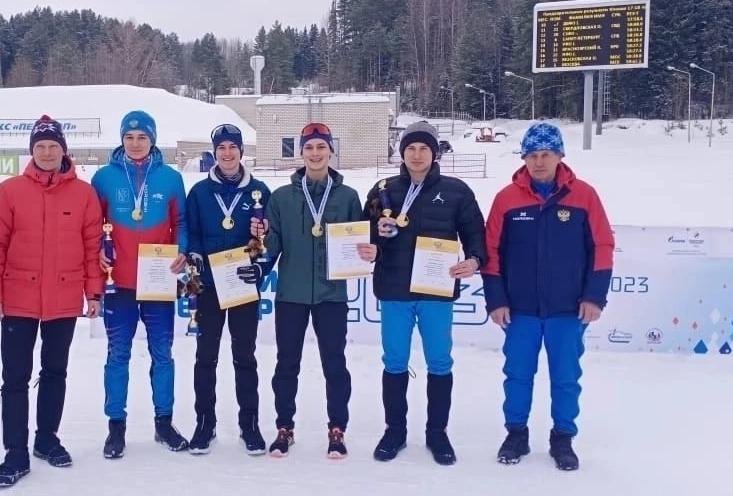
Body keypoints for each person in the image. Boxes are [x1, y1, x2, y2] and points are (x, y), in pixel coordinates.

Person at [0, 115, 105, 487]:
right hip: (17, 298)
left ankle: (47, 438)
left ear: (64, 150)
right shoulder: (9, 191)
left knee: (55, 372)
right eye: (40, 147)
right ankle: (15, 451)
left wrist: (93, 292)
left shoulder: (83, 194)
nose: (47, 152)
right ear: (32, 151)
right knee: (14, 378)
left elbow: (92, 246)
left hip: (64, 297)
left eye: (53, 146)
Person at [481, 122, 614, 471]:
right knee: (518, 375)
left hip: (568, 309)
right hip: (520, 309)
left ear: (559, 156)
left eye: (546, 155)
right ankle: (516, 434)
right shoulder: (506, 199)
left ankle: (563, 438)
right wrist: (496, 299)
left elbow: (602, 246)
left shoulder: (584, 196)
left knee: (566, 376)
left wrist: (594, 297)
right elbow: (491, 251)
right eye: (532, 155)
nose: (538, 162)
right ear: (524, 158)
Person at [358, 121, 486, 464]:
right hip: (394, 289)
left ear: (435, 153)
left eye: (424, 149)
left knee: (440, 362)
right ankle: (395, 431)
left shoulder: (457, 191)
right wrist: (370, 243)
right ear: (402, 153)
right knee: (395, 361)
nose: (417, 155)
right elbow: (362, 232)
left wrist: (474, 260)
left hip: (436, 290)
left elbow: (476, 233)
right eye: (410, 149)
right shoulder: (382, 189)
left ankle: (437, 433)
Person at [248, 122, 365, 459]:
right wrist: (261, 236)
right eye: (309, 147)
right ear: (302, 152)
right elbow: (271, 248)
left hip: (332, 296)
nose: (315, 153)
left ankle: (337, 428)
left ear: (330, 151)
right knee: (287, 364)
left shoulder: (347, 197)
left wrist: (365, 250)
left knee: (335, 364)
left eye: (321, 147)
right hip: (291, 295)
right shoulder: (282, 197)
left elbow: (356, 243)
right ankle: (285, 427)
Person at [90, 110, 190, 458]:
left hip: (158, 280)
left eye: (142, 137)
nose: (135, 143)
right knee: (118, 355)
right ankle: (115, 426)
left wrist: (183, 252)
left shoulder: (170, 178)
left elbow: (182, 222)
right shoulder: (103, 178)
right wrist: (95, 254)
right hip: (118, 283)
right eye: (129, 137)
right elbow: (92, 226)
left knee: (163, 355)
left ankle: (164, 422)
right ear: (121, 139)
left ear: (153, 140)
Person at [182, 123, 276, 455]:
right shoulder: (199, 192)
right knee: (205, 358)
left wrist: (259, 261)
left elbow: (267, 240)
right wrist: (193, 254)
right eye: (220, 148)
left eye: (232, 147)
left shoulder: (260, 191)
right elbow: (190, 231)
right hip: (208, 285)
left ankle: (249, 424)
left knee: (244, 357)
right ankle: (204, 425)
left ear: (241, 151)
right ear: (214, 152)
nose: (226, 153)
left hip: (241, 285)